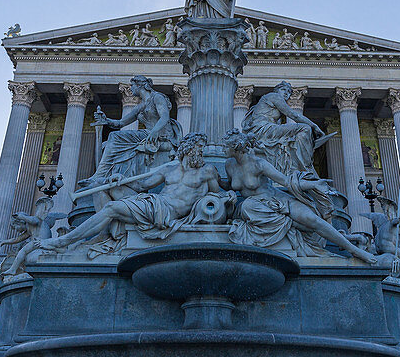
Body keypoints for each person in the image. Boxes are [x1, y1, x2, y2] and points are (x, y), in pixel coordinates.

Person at [39, 133, 218, 254]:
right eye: (199, 147)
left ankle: (63, 242)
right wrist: (119, 177)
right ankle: (105, 234)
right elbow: (141, 185)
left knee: (110, 208)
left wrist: (227, 198)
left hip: (164, 213)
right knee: (103, 184)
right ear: (188, 148)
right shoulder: (169, 169)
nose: (201, 151)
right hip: (153, 202)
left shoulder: (207, 171)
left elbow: (216, 196)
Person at [222, 129, 379, 264]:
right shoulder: (229, 165)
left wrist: (313, 184)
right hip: (255, 205)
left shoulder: (258, 164)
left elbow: (286, 181)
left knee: (313, 220)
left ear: (236, 148)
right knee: (252, 208)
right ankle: (350, 240)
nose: (222, 149)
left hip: (277, 200)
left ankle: (355, 250)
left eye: (226, 146)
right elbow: (231, 185)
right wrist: (218, 185)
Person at [85, 76, 181, 194]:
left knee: (115, 137)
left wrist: (154, 132)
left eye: (132, 86)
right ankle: (103, 174)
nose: (130, 89)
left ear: (140, 85)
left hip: (161, 137)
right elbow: (120, 123)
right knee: (111, 140)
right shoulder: (140, 106)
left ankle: (100, 173)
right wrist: (106, 120)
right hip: (147, 135)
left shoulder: (157, 97)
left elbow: (165, 117)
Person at [241, 81, 322, 175]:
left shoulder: (272, 106)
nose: (286, 93)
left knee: (293, 136)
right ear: (276, 90)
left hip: (266, 130)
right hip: (264, 130)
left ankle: (296, 167)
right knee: (305, 128)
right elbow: (293, 115)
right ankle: (305, 168)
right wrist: (314, 126)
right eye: (283, 89)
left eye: (289, 91)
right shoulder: (274, 96)